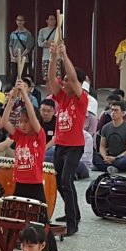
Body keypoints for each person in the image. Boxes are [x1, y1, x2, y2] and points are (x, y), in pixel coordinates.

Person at [2, 79, 61, 251]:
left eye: (25, 121)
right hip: (20, 184)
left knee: (43, 225)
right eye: (21, 121)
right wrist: (11, 98)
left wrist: (25, 95)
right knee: (13, 223)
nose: (22, 124)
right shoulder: (19, 136)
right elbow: (4, 122)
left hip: (35, 186)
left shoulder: (39, 135)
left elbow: (35, 122)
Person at [47, 41, 88, 237]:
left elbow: (72, 76)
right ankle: (74, 213)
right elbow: (50, 80)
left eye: (67, 80)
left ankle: (73, 223)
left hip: (75, 146)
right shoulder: (62, 97)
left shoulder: (81, 98)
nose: (63, 82)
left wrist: (65, 54)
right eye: (63, 79)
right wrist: (54, 56)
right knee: (60, 181)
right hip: (61, 145)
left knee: (66, 180)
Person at [93, 101, 126, 174]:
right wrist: (104, 157)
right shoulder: (105, 127)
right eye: (112, 110)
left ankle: (104, 167)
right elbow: (102, 146)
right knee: (93, 156)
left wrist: (115, 158)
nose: (113, 112)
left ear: (123, 113)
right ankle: (112, 168)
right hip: (109, 156)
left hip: (122, 157)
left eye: (116, 110)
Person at [8, 15, 35, 84]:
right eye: (18, 20)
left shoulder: (28, 34)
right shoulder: (13, 33)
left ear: (24, 22)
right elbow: (10, 45)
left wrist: (21, 56)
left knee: (22, 77)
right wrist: (12, 56)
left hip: (23, 59)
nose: (19, 22)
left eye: (21, 20)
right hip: (14, 59)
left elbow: (28, 48)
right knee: (13, 76)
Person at [37, 14, 58, 87]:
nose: (53, 21)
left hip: (56, 57)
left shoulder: (58, 31)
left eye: (54, 19)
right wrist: (50, 44)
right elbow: (40, 43)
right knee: (46, 77)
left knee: (56, 77)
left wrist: (47, 42)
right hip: (46, 57)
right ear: (47, 21)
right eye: (51, 19)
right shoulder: (42, 31)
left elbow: (57, 43)